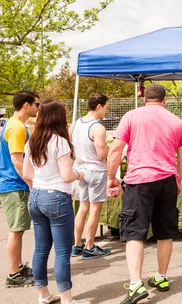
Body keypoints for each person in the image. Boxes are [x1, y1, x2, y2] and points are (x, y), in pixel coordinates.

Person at [106, 84, 182, 304]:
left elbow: (115, 149)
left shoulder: (131, 116)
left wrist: (111, 177)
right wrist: (178, 180)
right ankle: (161, 276)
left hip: (139, 181)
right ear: (164, 100)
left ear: (144, 98)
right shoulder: (176, 121)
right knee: (165, 230)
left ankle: (135, 284)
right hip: (167, 180)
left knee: (134, 231)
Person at [22, 99, 90, 304]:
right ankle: (67, 299)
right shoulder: (59, 141)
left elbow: (26, 173)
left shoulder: (32, 140)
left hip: (36, 196)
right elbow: (67, 175)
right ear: (58, 117)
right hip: (57, 197)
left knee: (40, 249)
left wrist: (39, 188)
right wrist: (81, 174)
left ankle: (43, 295)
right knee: (62, 251)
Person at [0, 89, 39, 288]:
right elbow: (17, 159)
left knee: (19, 230)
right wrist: (31, 182)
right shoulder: (17, 127)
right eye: (36, 104)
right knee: (16, 231)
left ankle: (17, 268)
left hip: (14, 184)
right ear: (26, 105)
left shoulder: (15, 124)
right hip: (15, 184)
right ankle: (13, 275)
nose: (37, 108)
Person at [71, 93, 112, 260]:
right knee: (95, 209)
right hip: (96, 171)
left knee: (83, 208)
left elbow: (71, 149)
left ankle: (77, 245)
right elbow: (102, 153)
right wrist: (116, 153)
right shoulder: (98, 128)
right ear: (99, 106)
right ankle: (89, 246)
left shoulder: (74, 125)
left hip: (80, 170)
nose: (107, 111)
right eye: (106, 107)